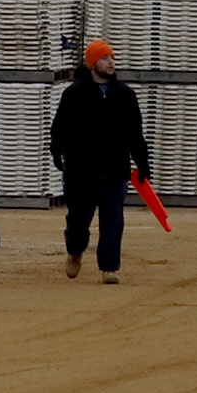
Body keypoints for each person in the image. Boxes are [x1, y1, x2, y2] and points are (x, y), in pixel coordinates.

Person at [47, 38, 151, 284]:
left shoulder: (125, 95)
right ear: (93, 63)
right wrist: (57, 152)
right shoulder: (74, 94)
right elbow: (59, 127)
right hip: (81, 170)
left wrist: (142, 163)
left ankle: (109, 267)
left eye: (112, 57)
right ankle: (75, 252)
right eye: (105, 58)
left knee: (112, 217)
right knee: (78, 221)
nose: (111, 62)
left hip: (115, 169)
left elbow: (135, 133)